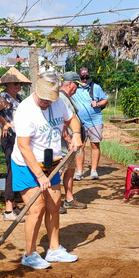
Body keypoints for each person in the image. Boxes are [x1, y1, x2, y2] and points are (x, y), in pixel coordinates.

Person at [11, 71, 83, 269]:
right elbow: (24, 147)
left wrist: (75, 134)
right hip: (27, 164)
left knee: (54, 205)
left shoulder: (58, 102)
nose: (47, 103)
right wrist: (40, 176)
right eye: (44, 99)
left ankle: (54, 249)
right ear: (37, 91)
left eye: (50, 100)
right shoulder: (25, 111)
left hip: (51, 162)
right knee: (37, 208)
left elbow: (72, 119)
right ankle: (30, 254)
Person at [0, 67, 31, 221]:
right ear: (7, 84)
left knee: (17, 170)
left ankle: (13, 205)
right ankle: (8, 210)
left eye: (19, 83)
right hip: (10, 138)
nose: (18, 86)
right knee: (12, 171)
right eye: (15, 83)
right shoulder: (4, 97)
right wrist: (4, 122)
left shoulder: (17, 98)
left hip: (18, 138)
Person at [58, 72, 88, 214]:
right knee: (58, 171)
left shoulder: (67, 98)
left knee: (70, 170)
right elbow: (62, 122)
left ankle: (69, 199)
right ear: (69, 83)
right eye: (76, 84)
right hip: (64, 143)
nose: (77, 88)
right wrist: (68, 139)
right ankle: (54, 201)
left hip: (71, 142)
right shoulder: (60, 98)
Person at [71, 67, 108, 180]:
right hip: (79, 122)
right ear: (79, 77)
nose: (85, 80)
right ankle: (79, 171)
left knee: (94, 145)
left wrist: (97, 104)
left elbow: (105, 100)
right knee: (80, 146)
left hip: (95, 121)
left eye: (87, 77)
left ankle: (94, 170)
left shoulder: (95, 87)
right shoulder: (74, 88)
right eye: (83, 77)